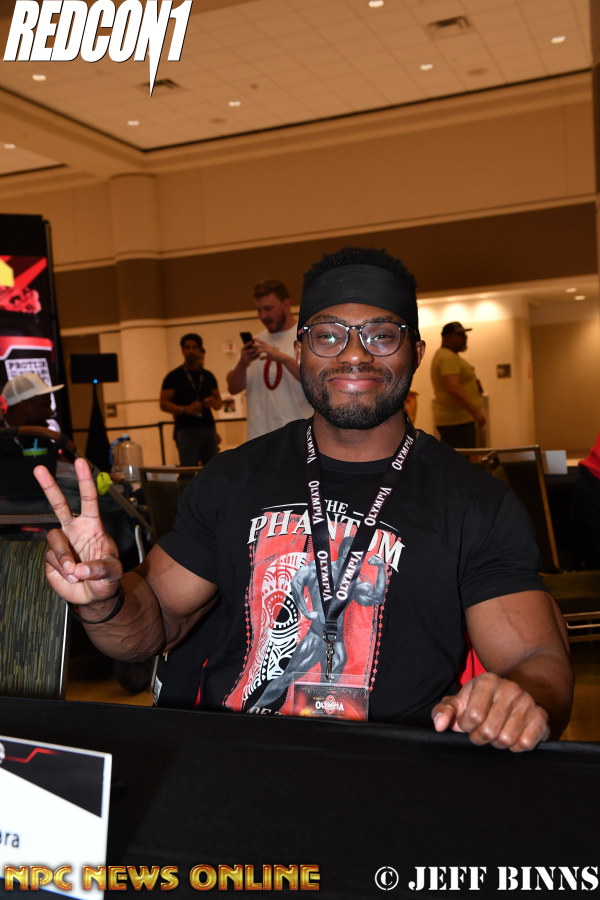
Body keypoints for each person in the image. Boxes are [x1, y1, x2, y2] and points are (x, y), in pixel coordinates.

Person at [34, 247, 572, 752]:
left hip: (390, 774)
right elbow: (152, 623)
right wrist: (103, 602)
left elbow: (536, 656)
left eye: (382, 335)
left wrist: (523, 698)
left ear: (416, 351)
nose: (355, 355)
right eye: (329, 336)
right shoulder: (234, 478)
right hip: (229, 759)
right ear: (300, 351)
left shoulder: (475, 502)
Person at [226, 279, 312, 439]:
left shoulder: (305, 337)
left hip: (298, 437)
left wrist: (283, 358)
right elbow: (232, 388)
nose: (263, 316)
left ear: (286, 304)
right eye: (259, 310)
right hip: (259, 437)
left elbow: (313, 379)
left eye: (268, 308)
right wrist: (242, 364)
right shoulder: (256, 341)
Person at [160, 333, 222, 466]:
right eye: (187, 348)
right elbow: (163, 404)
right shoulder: (174, 376)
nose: (191, 351)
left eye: (194, 347)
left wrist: (212, 402)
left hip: (208, 427)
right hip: (186, 429)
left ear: (200, 350)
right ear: (182, 350)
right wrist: (185, 409)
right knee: (188, 469)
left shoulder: (208, 376)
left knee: (212, 468)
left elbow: (219, 403)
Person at [430, 322, 485, 448]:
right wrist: (475, 413)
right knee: (461, 458)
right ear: (448, 337)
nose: (465, 338)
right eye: (460, 335)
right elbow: (453, 388)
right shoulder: (447, 357)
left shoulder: (448, 356)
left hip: (458, 421)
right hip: (457, 422)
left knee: (461, 458)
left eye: (464, 335)